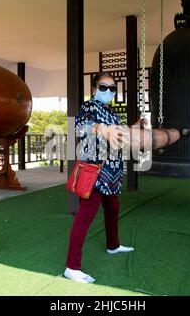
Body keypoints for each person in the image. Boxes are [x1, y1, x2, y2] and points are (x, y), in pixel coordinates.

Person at [64, 72, 134, 284]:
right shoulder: (89, 107)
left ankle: (113, 245)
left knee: (113, 209)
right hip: (95, 170)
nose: (108, 92)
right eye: (104, 87)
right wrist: (99, 128)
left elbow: (120, 135)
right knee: (85, 215)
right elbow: (78, 127)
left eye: (112, 88)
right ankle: (72, 267)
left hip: (112, 171)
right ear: (94, 88)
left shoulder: (112, 112)